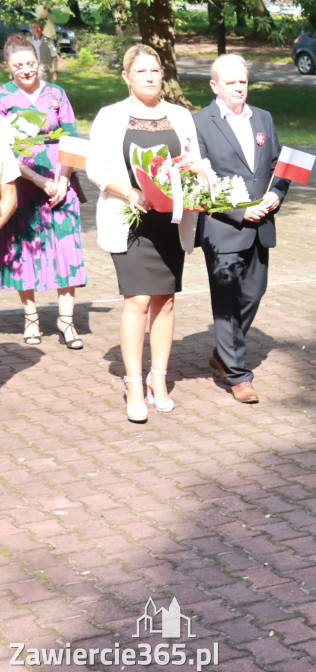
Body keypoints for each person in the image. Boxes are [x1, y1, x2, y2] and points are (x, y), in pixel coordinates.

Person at [85, 44, 200, 423]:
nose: (151, 77)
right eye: (142, 71)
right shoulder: (110, 116)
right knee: (136, 300)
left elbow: (194, 161)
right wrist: (130, 192)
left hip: (169, 220)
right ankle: (133, 383)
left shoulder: (180, 116)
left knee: (165, 301)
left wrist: (194, 172)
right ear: (127, 77)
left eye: (156, 70)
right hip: (129, 220)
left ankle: (159, 380)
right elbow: (96, 168)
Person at [193, 54, 289, 404]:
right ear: (214, 85)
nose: (238, 87)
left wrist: (276, 195)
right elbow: (199, 181)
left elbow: (279, 165)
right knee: (227, 300)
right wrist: (238, 212)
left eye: (243, 81)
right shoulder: (199, 123)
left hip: (261, 224)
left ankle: (223, 353)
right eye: (231, 82)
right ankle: (237, 374)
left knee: (254, 293)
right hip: (222, 227)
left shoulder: (262, 117)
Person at [0, 35, 86, 349]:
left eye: (31, 63)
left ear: (39, 63)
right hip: (21, 182)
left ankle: (67, 322)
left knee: (67, 246)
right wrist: (37, 180)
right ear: (8, 67)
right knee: (25, 249)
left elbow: (73, 141)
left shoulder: (57, 94)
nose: (26, 70)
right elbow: (2, 151)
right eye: (19, 65)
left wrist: (63, 181)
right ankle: (31, 319)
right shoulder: (3, 98)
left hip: (60, 180)